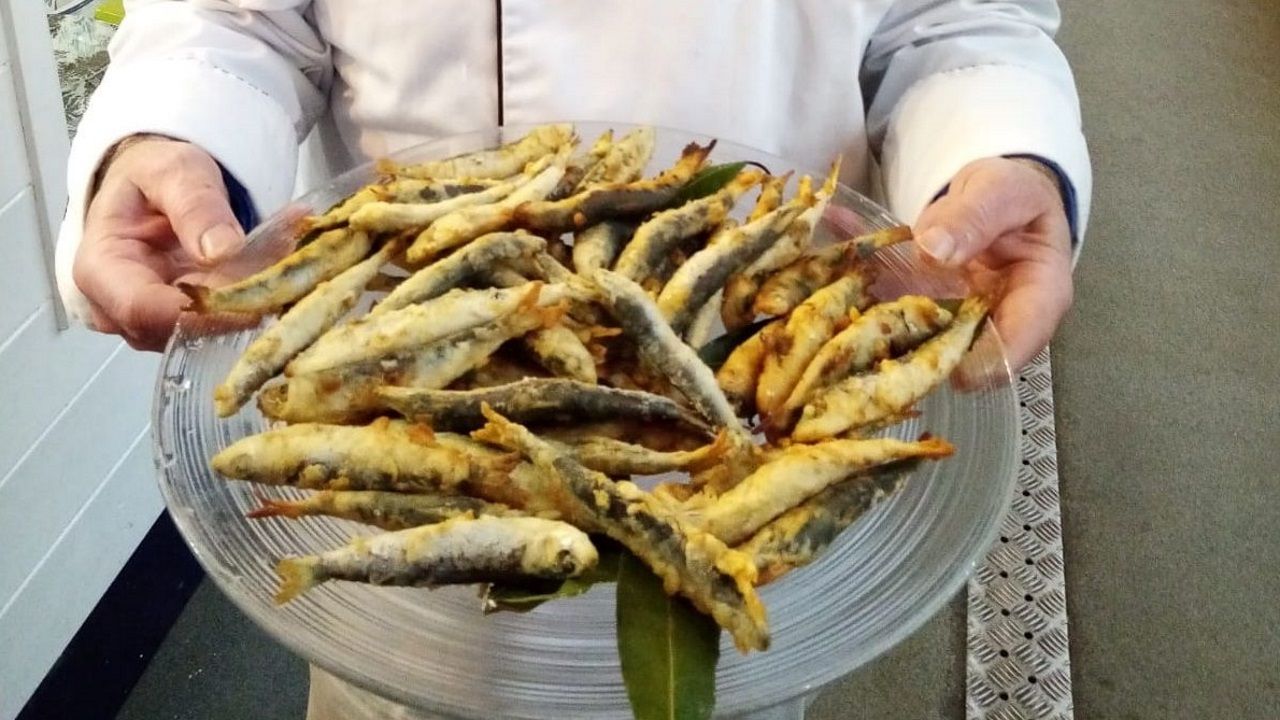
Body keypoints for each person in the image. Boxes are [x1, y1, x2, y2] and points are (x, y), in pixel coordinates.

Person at [55, 1, 1090, 716]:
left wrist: (990, 142)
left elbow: (956, 20)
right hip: (397, 384)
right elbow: (229, 18)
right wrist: (179, 131)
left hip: (762, 380)